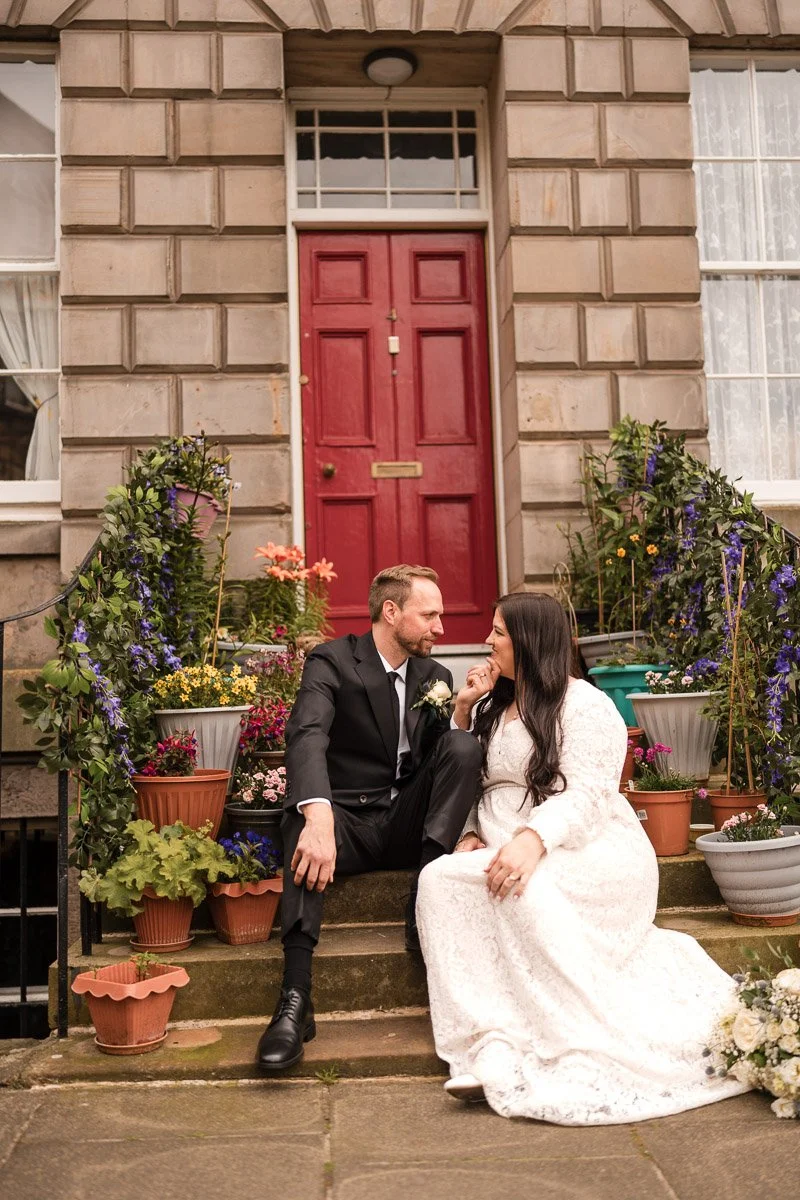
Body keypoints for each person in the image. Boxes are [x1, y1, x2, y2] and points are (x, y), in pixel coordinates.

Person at [416, 592, 750, 1124]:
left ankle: (569, 1040)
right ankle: (491, 1039)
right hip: (508, 841)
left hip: (587, 847)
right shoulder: (492, 707)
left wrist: (533, 839)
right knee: (438, 880)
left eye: (499, 632)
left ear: (529, 641)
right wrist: (472, 831)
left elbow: (590, 795)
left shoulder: (587, 706)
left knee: (527, 891)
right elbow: (472, 784)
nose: (487, 641)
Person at [256, 564, 483, 1072]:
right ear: (391, 611)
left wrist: (461, 713)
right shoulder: (332, 662)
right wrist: (318, 815)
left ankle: (424, 894)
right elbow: (307, 734)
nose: (440, 628)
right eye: (429, 616)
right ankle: (294, 1000)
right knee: (299, 816)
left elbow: (435, 764)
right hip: (347, 826)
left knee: (463, 746)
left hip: (403, 822)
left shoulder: (436, 676)